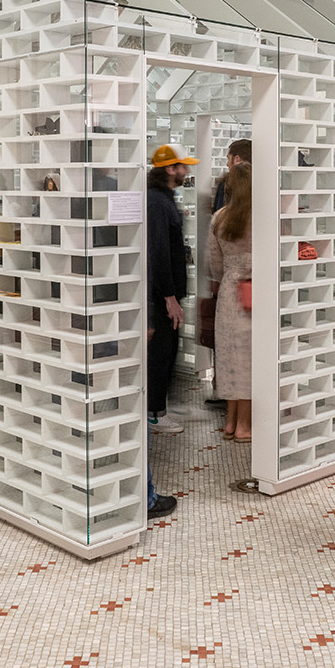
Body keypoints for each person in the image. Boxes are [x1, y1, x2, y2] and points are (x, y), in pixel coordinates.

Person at [146, 143, 196, 435]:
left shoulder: (164, 198)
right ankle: (155, 413)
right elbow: (159, 252)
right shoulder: (157, 202)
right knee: (162, 353)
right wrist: (169, 297)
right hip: (161, 297)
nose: (187, 171)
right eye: (183, 166)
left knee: (169, 351)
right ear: (170, 169)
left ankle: (159, 408)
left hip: (168, 294)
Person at [205, 163, 252, 441]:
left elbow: (214, 263)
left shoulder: (219, 218)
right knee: (250, 359)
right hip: (254, 293)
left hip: (228, 292)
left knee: (229, 359)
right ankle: (246, 426)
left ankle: (231, 422)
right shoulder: (262, 217)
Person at [211, 137, 250, 214]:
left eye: (228, 158)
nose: (227, 164)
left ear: (237, 159)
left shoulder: (227, 185)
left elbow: (220, 215)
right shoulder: (261, 186)